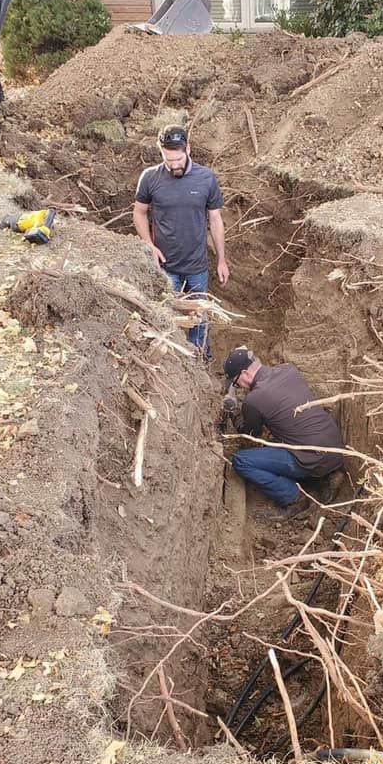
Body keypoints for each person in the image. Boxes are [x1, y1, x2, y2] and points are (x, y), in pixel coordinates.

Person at [133, 124, 228, 356]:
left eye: (178, 158)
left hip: (197, 266)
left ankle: (201, 359)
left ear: (188, 149)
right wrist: (149, 245)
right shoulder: (150, 178)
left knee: (200, 318)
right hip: (166, 267)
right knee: (169, 318)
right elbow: (139, 212)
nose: (174, 164)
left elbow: (215, 220)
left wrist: (222, 260)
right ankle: (177, 363)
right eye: (168, 159)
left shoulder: (206, 178)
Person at [221, 346, 344, 517]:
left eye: (236, 382)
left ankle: (295, 497)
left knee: (242, 461)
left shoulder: (254, 400)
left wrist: (234, 411)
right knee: (283, 437)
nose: (239, 387)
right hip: (335, 447)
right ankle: (324, 479)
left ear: (245, 373)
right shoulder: (288, 370)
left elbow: (250, 434)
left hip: (314, 459)